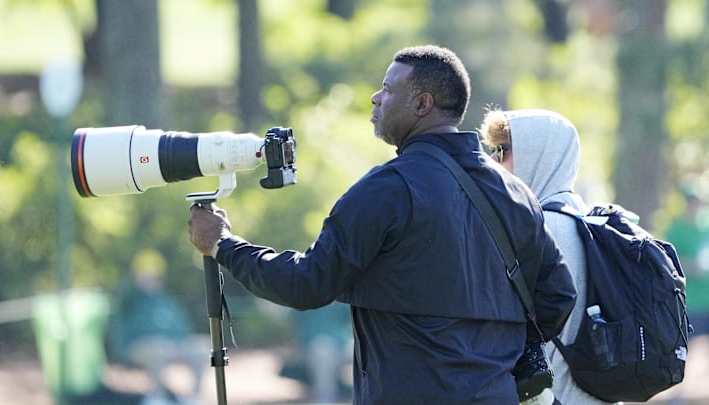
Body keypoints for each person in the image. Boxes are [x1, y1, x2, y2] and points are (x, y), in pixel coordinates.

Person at [188, 45, 576, 404]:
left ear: (422, 104)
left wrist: (223, 244)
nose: (375, 97)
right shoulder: (516, 193)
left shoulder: (388, 189)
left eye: (388, 89)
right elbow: (558, 296)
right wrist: (493, 353)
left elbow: (307, 282)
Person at [479, 108, 616, 404]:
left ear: (539, 155)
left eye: (502, 150)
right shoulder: (583, 218)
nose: (492, 160)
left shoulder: (539, 228)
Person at [108, 249, 208, 405]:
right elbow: (122, 297)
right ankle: (158, 398)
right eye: (145, 276)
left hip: (171, 346)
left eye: (154, 277)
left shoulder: (165, 300)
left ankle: (192, 399)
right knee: (158, 349)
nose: (151, 281)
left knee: (202, 347)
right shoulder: (129, 298)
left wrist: (180, 342)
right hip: (136, 347)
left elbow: (182, 327)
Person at [665, 189, 709, 337]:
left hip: (706, 296)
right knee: (691, 343)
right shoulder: (676, 230)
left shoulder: (705, 227)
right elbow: (668, 261)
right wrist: (692, 266)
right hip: (691, 301)